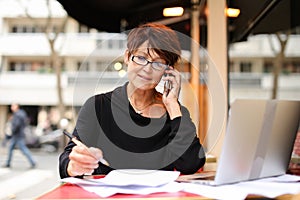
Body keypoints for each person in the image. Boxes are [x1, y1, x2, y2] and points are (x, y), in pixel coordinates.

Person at [59, 23, 206, 178]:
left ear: (168, 70)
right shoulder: (98, 106)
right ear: (127, 57)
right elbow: (65, 162)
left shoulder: (175, 112)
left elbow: (191, 164)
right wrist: (73, 165)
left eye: (158, 63)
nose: (147, 69)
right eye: (141, 58)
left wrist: (173, 106)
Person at [2, 103, 36, 168]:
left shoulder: (18, 114)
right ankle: (8, 163)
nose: (11, 107)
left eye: (13, 106)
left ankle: (33, 162)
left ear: (16, 106)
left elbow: (17, 125)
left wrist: (12, 130)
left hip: (17, 135)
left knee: (23, 149)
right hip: (18, 135)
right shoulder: (21, 114)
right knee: (11, 148)